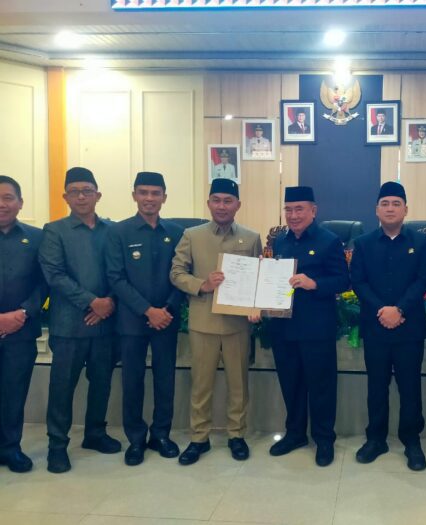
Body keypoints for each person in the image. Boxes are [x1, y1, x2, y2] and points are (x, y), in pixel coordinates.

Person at [170, 178, 262, 466]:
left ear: (238, 205)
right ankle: (199, 438)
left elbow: (258, 278)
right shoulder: (191, 235)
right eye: (217, 200)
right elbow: (176, 273)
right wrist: (202, 284)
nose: (222, 206)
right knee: (201, 385)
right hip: (203, 322)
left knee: (239, 385)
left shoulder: (251, 237)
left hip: (237, 325)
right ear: (208, 203)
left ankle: (236, 435)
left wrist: (256, 305)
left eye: (228, 201)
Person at [39, 167, 121, 474]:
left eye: (87, 190)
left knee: (101, 383)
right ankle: (57, 446)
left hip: (106, 323)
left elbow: (121, 271)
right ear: (65, 197)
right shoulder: (54, 231)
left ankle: (95, 433)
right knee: (62, 388)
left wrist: (109, 301)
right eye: (74, 191)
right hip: (69, 326)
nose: (82, 196)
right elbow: (54, 275)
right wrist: (92, 302)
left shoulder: (113, 230)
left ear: (98, 195)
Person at [350, 182, 426, 471]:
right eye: (384, 203)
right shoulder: (363, 243)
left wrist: (399, 310)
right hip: (376, 327)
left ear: (405, 209)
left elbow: (423, 279)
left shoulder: (421, 242)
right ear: (376, 210)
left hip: (409, 327)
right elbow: (358, 281)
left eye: (396, 203)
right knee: (376, 386)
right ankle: (376, 439)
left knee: (410, 387)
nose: (390, 208)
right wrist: (382, 310)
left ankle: (412, 441)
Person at [105, 172, 184, 466]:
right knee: (132, 381)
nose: (149, 198)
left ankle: (161, 434)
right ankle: (136, 439)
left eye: (155, 193)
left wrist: (167, 309)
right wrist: (148, 310)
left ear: (164, 197)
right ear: (134, 195)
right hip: (132, 321)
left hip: (167, 319)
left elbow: (183, 275)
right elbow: (116, 278)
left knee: (165, 379)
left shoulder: (177, 232)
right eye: (143, 192)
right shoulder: (119, 232)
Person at [268, 186, 349, 467]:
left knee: (321, 385)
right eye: (288, 209)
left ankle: (324, 438)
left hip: (316, 327)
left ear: (313, 211)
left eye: (299, 209)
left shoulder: (329, 241)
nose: (293, 215)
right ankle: (295, 434)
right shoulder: (280, 241)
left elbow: (343, 280)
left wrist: (315, 283)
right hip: (283, 326)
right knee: (291, 383)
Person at [0, 176, 45, 473]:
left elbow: (45, 282)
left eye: (8, 197)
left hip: (21, 330)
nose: (2, 204)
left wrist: (24, 312)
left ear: (20, 203)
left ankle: (10, 448)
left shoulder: (37, 238)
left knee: (14, 393)